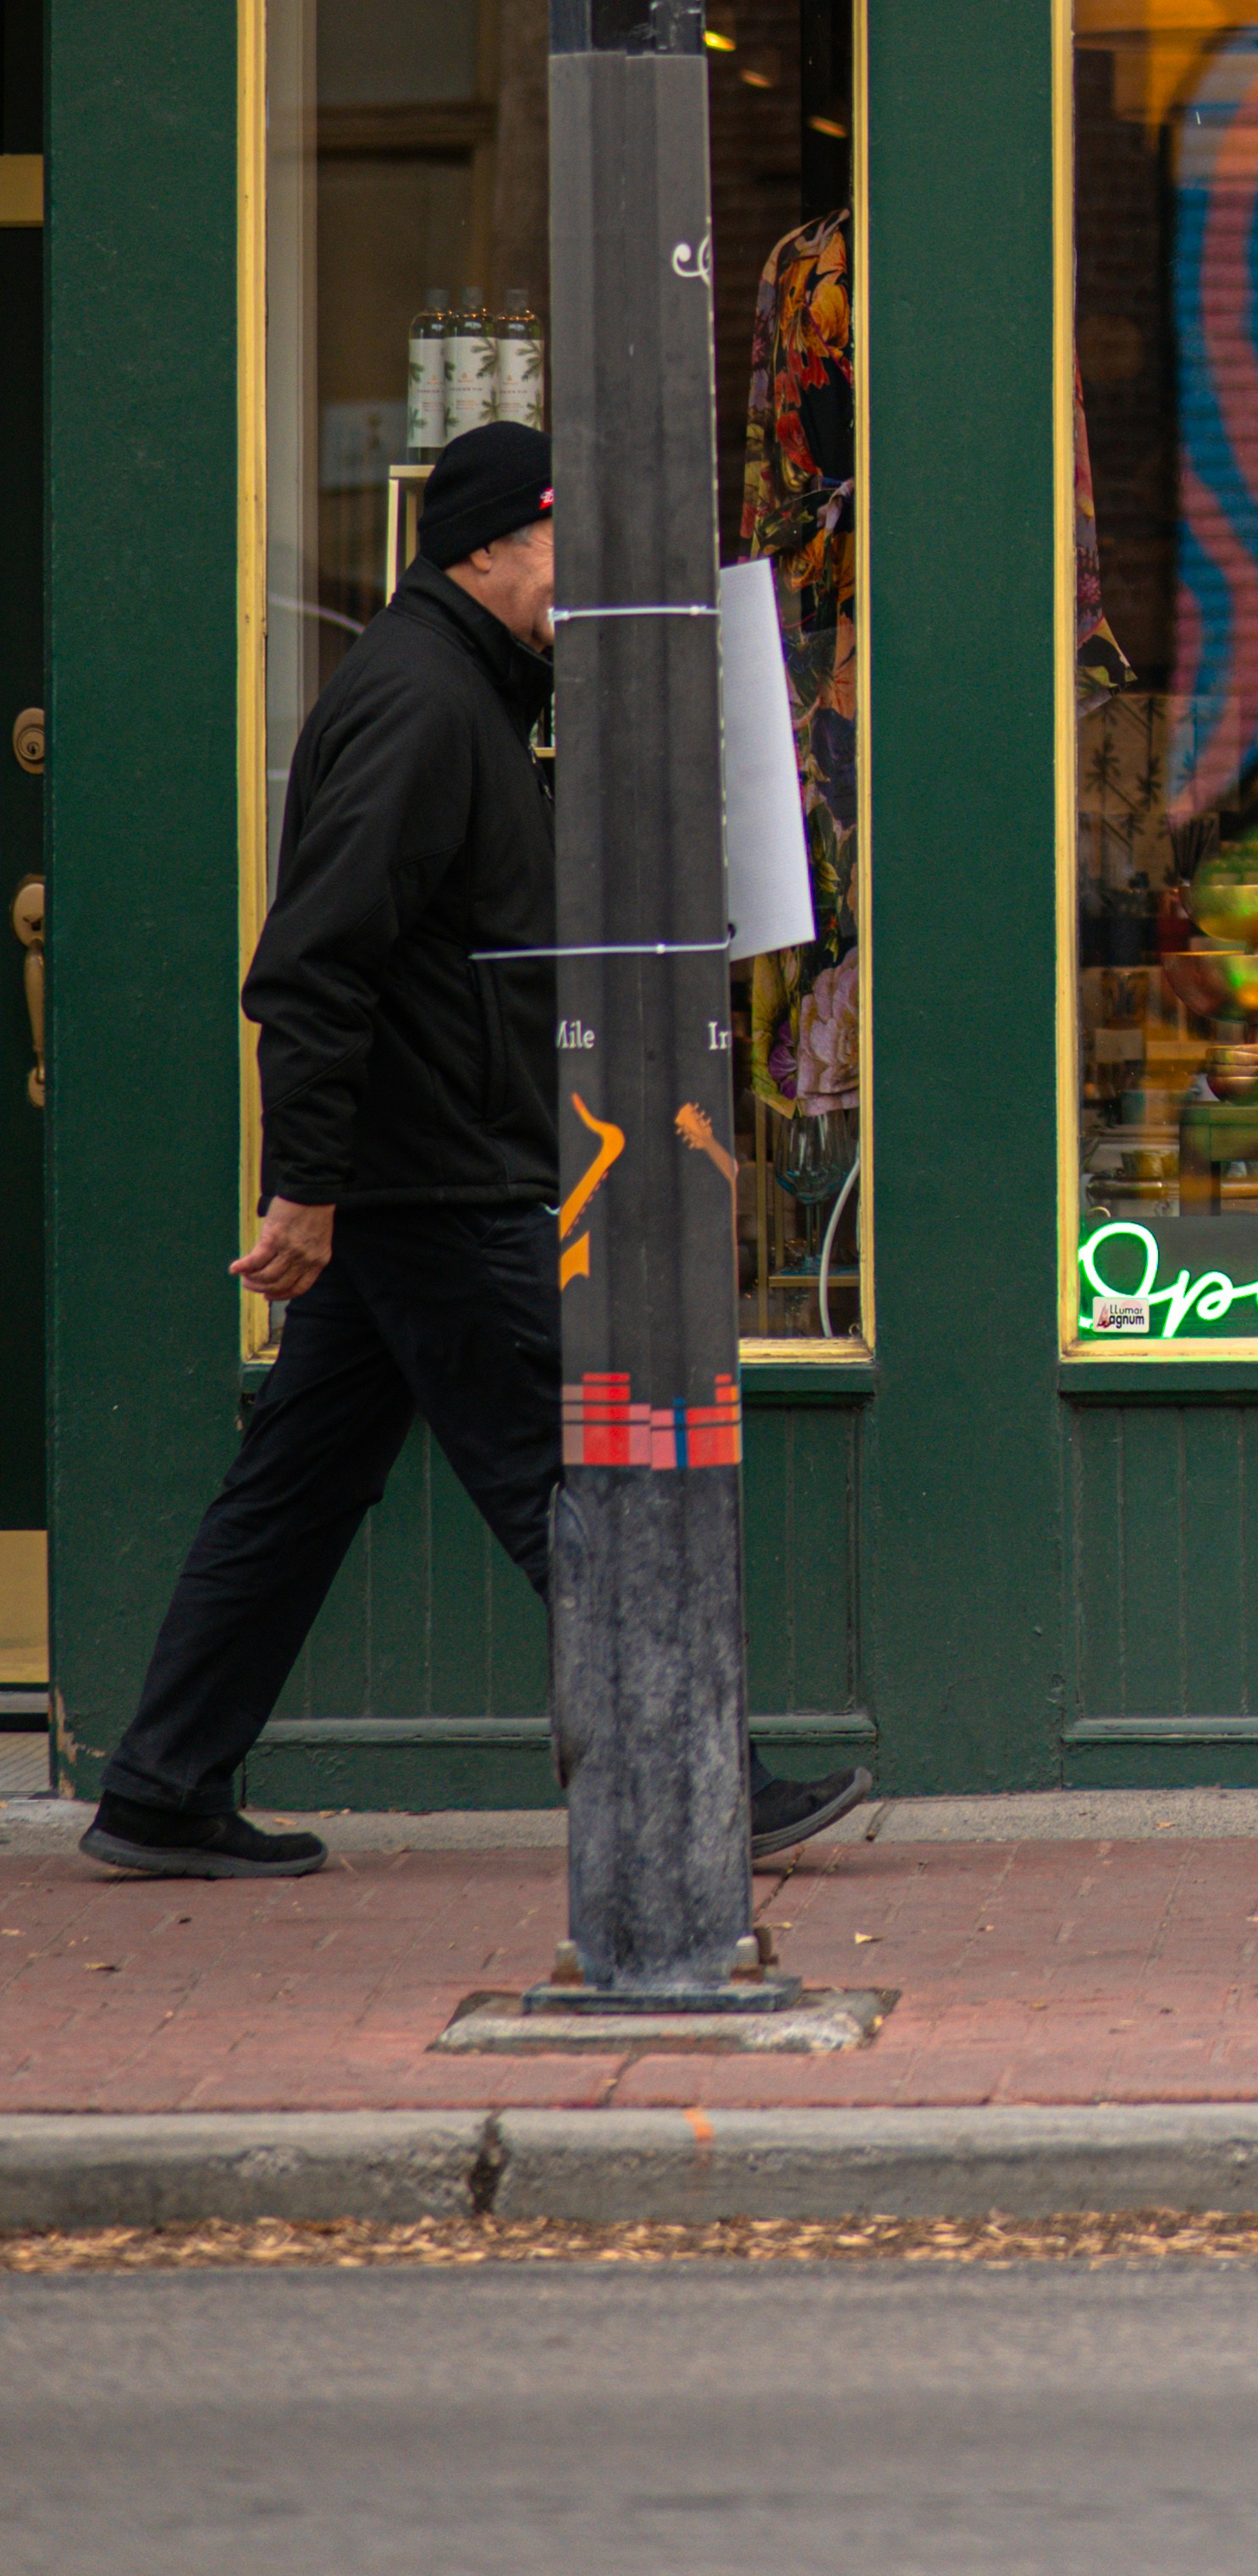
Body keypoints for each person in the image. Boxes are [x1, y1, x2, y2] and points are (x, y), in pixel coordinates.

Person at [81, 418, 875, 1884]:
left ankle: (161, 1780)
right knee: (582, 1477)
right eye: (565, 542)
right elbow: (316, 961)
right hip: (431, 1180)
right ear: (487, 548)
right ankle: (705, 1777)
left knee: (300, 1483)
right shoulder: (427, 704)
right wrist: (307, 1180)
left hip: (412, 1174)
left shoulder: (462, 691)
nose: (584, 574)